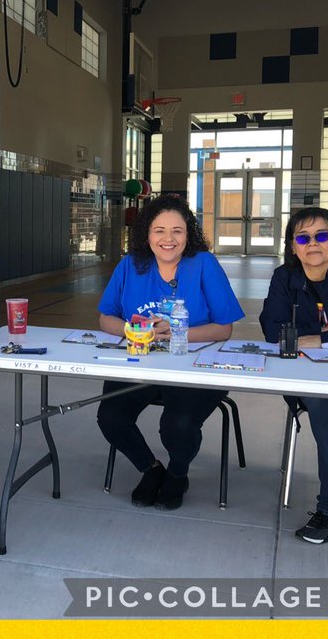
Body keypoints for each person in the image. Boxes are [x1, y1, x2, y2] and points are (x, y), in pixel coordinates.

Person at [95, 195, 244, 510]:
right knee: (110, 416)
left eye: (177, 230)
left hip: (197, 365)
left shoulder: (203, 263)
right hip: (142, 362)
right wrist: (132, 331)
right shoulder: (130, 265)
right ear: (146, 234)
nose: (168, 239)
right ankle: (151, 469)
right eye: (159, 230)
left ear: (188, 234)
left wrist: (177, 333)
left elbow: (223, 329)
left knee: (177, 424)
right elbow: (105, 317)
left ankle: (177, 474)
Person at [259, 208, 328, 544]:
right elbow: (273, 331)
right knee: (327, 404)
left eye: (322, 236)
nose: (313, 244)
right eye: (303, 237)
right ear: (293, 246)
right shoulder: (285, 278)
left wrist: (322, 336)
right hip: (305, 375)